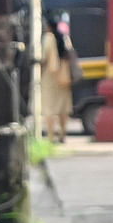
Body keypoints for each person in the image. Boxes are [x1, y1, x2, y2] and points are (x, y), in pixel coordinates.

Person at [40, 13, 73, 144]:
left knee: (49, 108)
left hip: (49, 77)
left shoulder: (48, 38)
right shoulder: (64, 37)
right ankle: (63, 134)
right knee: (63, 108)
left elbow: (43, 57)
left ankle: (50, 137)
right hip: (64, 77)